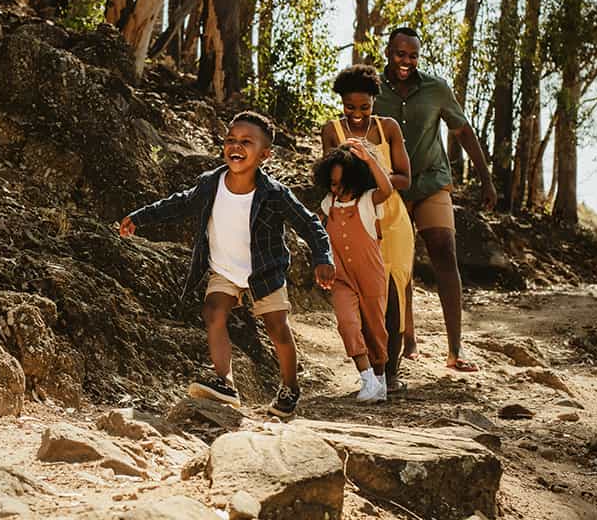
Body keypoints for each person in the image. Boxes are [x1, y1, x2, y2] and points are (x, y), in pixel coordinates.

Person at [119, 111, 335, 417]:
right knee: (213, 312)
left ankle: (290, 387)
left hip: (264, 271)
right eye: (231, 139)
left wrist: (323, 257)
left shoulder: (274, 194)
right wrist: (140, 217)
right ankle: (225, 381)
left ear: (265, 154)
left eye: (247, 142)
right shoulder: (211, 183)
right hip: (224, 268)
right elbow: (179, 203)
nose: (236, 146)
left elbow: (310, 224)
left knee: (277, 328)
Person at [374, 27, 497, 372]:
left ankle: (455, 350)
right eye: (400, 54)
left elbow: (464, 132)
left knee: (444, 249)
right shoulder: (374, 90)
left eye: (412, 56)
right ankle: (406, 339)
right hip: (392, 187)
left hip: (431, 182)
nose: (406, 62)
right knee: (399, 266)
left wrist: (486, 178)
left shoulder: (436, 89)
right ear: (388, 52)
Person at [321, 65, 413, 393]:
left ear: (375, 101)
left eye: (365, 107)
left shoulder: (389, 128)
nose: (357, 115)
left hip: (391, 218)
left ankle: (391, 371)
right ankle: (371, 373)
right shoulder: (331, 131)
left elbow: (404, 177)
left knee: (393, 293)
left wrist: (373, 170)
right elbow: (329, 178)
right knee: (360, 299)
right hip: (356, 221)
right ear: (341, 102)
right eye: (350, 107)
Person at [314, 140, 393, 402]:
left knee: (375, 330)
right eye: (333, 184)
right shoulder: (328, 204)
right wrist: (321, 263)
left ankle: (380, 378)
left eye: (343, 184)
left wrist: (369, 160)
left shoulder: (369, 201)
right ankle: (367, 378)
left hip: (371, 276)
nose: (338, 189)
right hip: (341, 278)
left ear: (358, 180)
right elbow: (319, 236)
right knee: (347, 323)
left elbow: (387, 188)